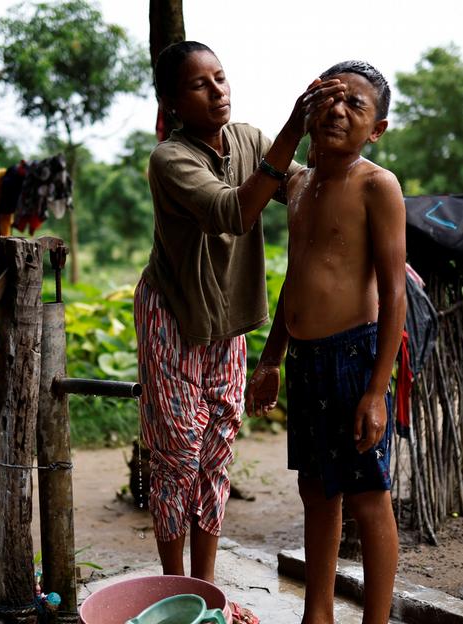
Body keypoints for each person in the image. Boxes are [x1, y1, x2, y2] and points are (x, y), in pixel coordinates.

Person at [135, 40, 344, 607]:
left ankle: (204, 591)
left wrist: (340, 159)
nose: (217, 90)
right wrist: (291, 132)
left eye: (221, 78)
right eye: (200, 84)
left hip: (228, 323)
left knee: (217, 448)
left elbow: (299, 186)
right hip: (174, 315)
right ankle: (172, 590)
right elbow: (234, 212)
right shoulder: (170, 159)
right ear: (174, 103)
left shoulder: (252, 142)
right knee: (178, 453)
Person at [246, 60, 407, 624]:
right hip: (308, 360)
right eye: (328, 100)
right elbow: (298, 277)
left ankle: (376, 619)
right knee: (317, 494)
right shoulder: (300, 184)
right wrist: (270, 360)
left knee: (367, 499)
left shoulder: (377, 185)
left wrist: (376, 391)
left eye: (355, 105)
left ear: (377, 128)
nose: (337, 111)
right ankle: (318, 614)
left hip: (353, 357)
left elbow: (394, 295)